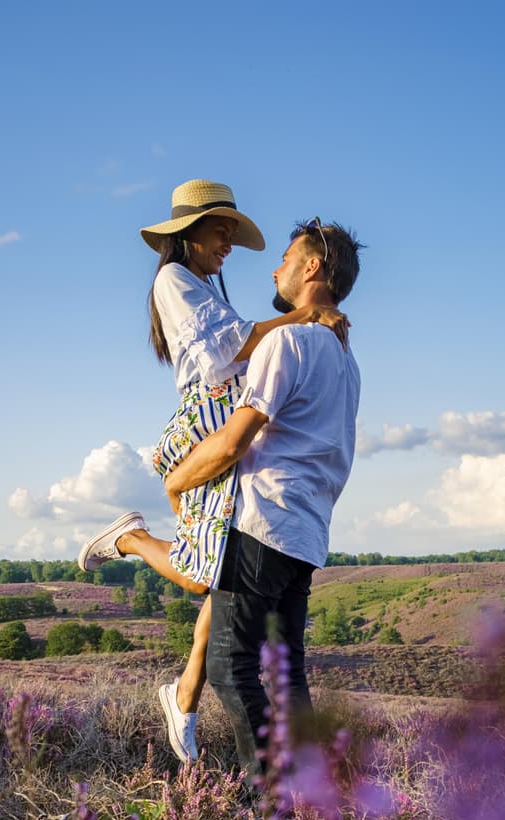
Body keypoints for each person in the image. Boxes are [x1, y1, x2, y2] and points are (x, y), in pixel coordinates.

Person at [77, 180, 346, 764]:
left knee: (213, 583)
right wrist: (306, 315)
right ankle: (131, 538)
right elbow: (227, 351)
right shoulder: (173, 278)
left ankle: (184, 697)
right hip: (209, 422)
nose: (229, 244)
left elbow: (242, 346)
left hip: (230, 422)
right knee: (207, 580)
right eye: (221, 231)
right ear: (188, 232)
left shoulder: (202, 286)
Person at [161, 217, 364, 774]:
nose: (275, 270)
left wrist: (177, 479)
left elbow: (234, 440)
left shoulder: (287, 341)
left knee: (231, 666)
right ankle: (314, 797)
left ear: (311, 266)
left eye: (285, 259)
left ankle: (270, 799)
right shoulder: (347, 360)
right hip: (306, 534)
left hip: (261, 522)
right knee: (286, 673)